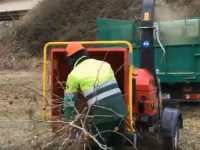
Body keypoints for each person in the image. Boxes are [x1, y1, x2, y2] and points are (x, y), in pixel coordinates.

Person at [63, 42, 128, 150]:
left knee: (94, 146)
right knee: (117, 147)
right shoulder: (104, 64)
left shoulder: (74, 74)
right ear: (85, 53)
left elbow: (69, 102)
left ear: (71, 59)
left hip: (102, 116)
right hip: (121, 112)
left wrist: (68, 122)